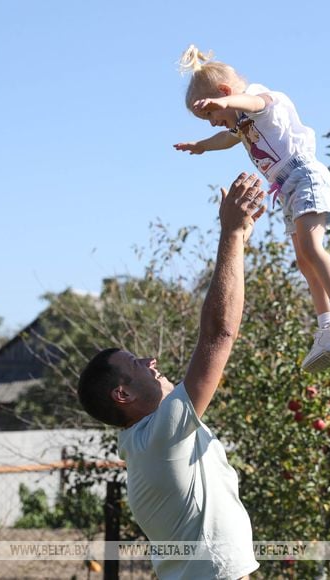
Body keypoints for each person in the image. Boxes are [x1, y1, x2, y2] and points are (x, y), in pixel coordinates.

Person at [78, 172, 267, 579]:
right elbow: (219, 334)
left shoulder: (149, 441)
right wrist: (231, 235)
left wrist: (239, 241)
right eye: (135, 364)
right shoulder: (161, 435)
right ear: (122, 395)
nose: (149, 360)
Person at [174, 45, 330, 372]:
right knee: (303, 259)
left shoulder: (263, 100)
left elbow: (253, 103)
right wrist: (202, 147)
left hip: (305, 175)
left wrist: (225, 104)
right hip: (287, 188)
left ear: (225, 94)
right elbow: (228, 139)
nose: (212, 123)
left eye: (209, 115)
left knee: (311, 245)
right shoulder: (242, 125)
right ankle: (327, 325)